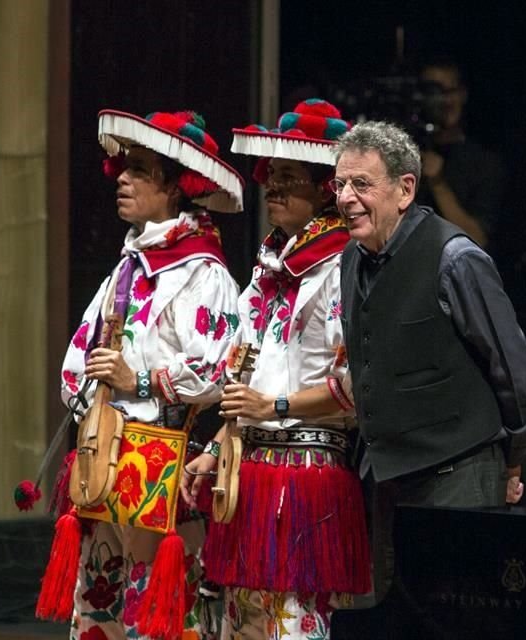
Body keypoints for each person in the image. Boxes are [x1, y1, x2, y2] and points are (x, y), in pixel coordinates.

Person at [40, 108, 245, 640]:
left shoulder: (205, 272)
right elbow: (78, 356)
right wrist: (91, 392)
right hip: (105, 455)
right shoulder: (128, 267)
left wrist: (142, 380)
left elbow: (220, 368)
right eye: (123, 169)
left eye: (140, 170)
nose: (123, 180)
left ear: (177, 188)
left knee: (158, 610)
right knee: (101, 603)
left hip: (166, 462)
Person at [333, 121, 526, 613]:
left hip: (460, 475)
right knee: (396, 621)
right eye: (340, 184)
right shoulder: (350, 259)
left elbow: (518, 374)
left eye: (361, 184)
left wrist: (514, 457)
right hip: (389, 480)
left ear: (405, 189)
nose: (345, 197)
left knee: (457, 622)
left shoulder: (454, 258)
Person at [181, 99, 370, 640]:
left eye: (290, 178)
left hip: (308, 468)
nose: (273, 188)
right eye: (271, 177)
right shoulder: (268, 272)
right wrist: (218, 446)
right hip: (252, 466)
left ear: (325, 189)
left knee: (293, 621)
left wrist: (276, 407)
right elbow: (247, 378)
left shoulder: (341, 269)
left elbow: (357, 385)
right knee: (244, 622)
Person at [416, 57, 506, 249]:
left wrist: (438, 184)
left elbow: (478, 239)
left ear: (463, 94)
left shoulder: (483, 162)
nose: (444, 101)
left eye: (450, 92)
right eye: (434, 93)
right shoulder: (401, 154)